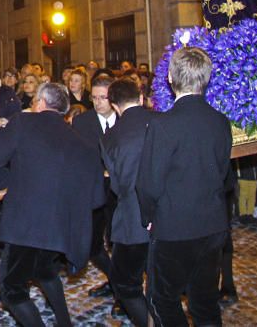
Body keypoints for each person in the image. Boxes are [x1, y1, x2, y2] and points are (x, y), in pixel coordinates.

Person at [0, 82, 105, 327]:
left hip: (27, 224)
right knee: (45, 271)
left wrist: (12, 184)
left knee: (10, 289)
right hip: (60, 228)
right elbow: (96, 198)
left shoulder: (23, 123)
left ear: (41, 103)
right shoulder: (83, 143)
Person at [136, 46, 233, 327]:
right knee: (205, 301)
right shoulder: (220, 121)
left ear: (169, 76)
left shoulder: (163, 125)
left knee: (161, 298)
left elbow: (149, 183)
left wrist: (148, 217)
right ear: (206, 78)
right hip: (213, 224)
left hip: (174, 226)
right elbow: (224, 173)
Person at [101, 78, 157, 327]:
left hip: (132, 219)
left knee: (123, 280)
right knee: (161, 280)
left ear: (114, 105)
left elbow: (117, 184)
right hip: (168, 213)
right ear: (141, 98)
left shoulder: (111, 136)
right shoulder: (161, 122)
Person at [72, 74, 117, 297]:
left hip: (119, 192)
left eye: (104, 98)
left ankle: (122, 288)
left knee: (118, 241)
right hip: (94, 189)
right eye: (95, 98)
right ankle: (116, 280)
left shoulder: (124, 119)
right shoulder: (82, 122)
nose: (98, 102)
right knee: (93, 244)